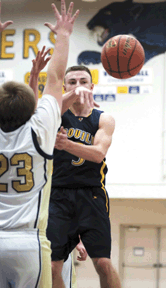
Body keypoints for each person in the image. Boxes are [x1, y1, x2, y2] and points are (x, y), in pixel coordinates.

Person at [0, 0, 79, 288]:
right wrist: (64, 35)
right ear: (31, 108)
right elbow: (56, 76)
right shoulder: (39, 132)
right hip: (28, 242)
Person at [46, 65, 122, 288]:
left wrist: (66, 144)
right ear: (64, 86)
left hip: (92, 196)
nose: (78, 86)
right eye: (72, 82)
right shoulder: (55, 116)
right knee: (51, 268)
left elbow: (98, 155)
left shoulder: (103, 118)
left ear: (92, 86)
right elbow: (42, 110)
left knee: (104, 264)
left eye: (82, 81)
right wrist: (69, 97)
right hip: (58, 196)